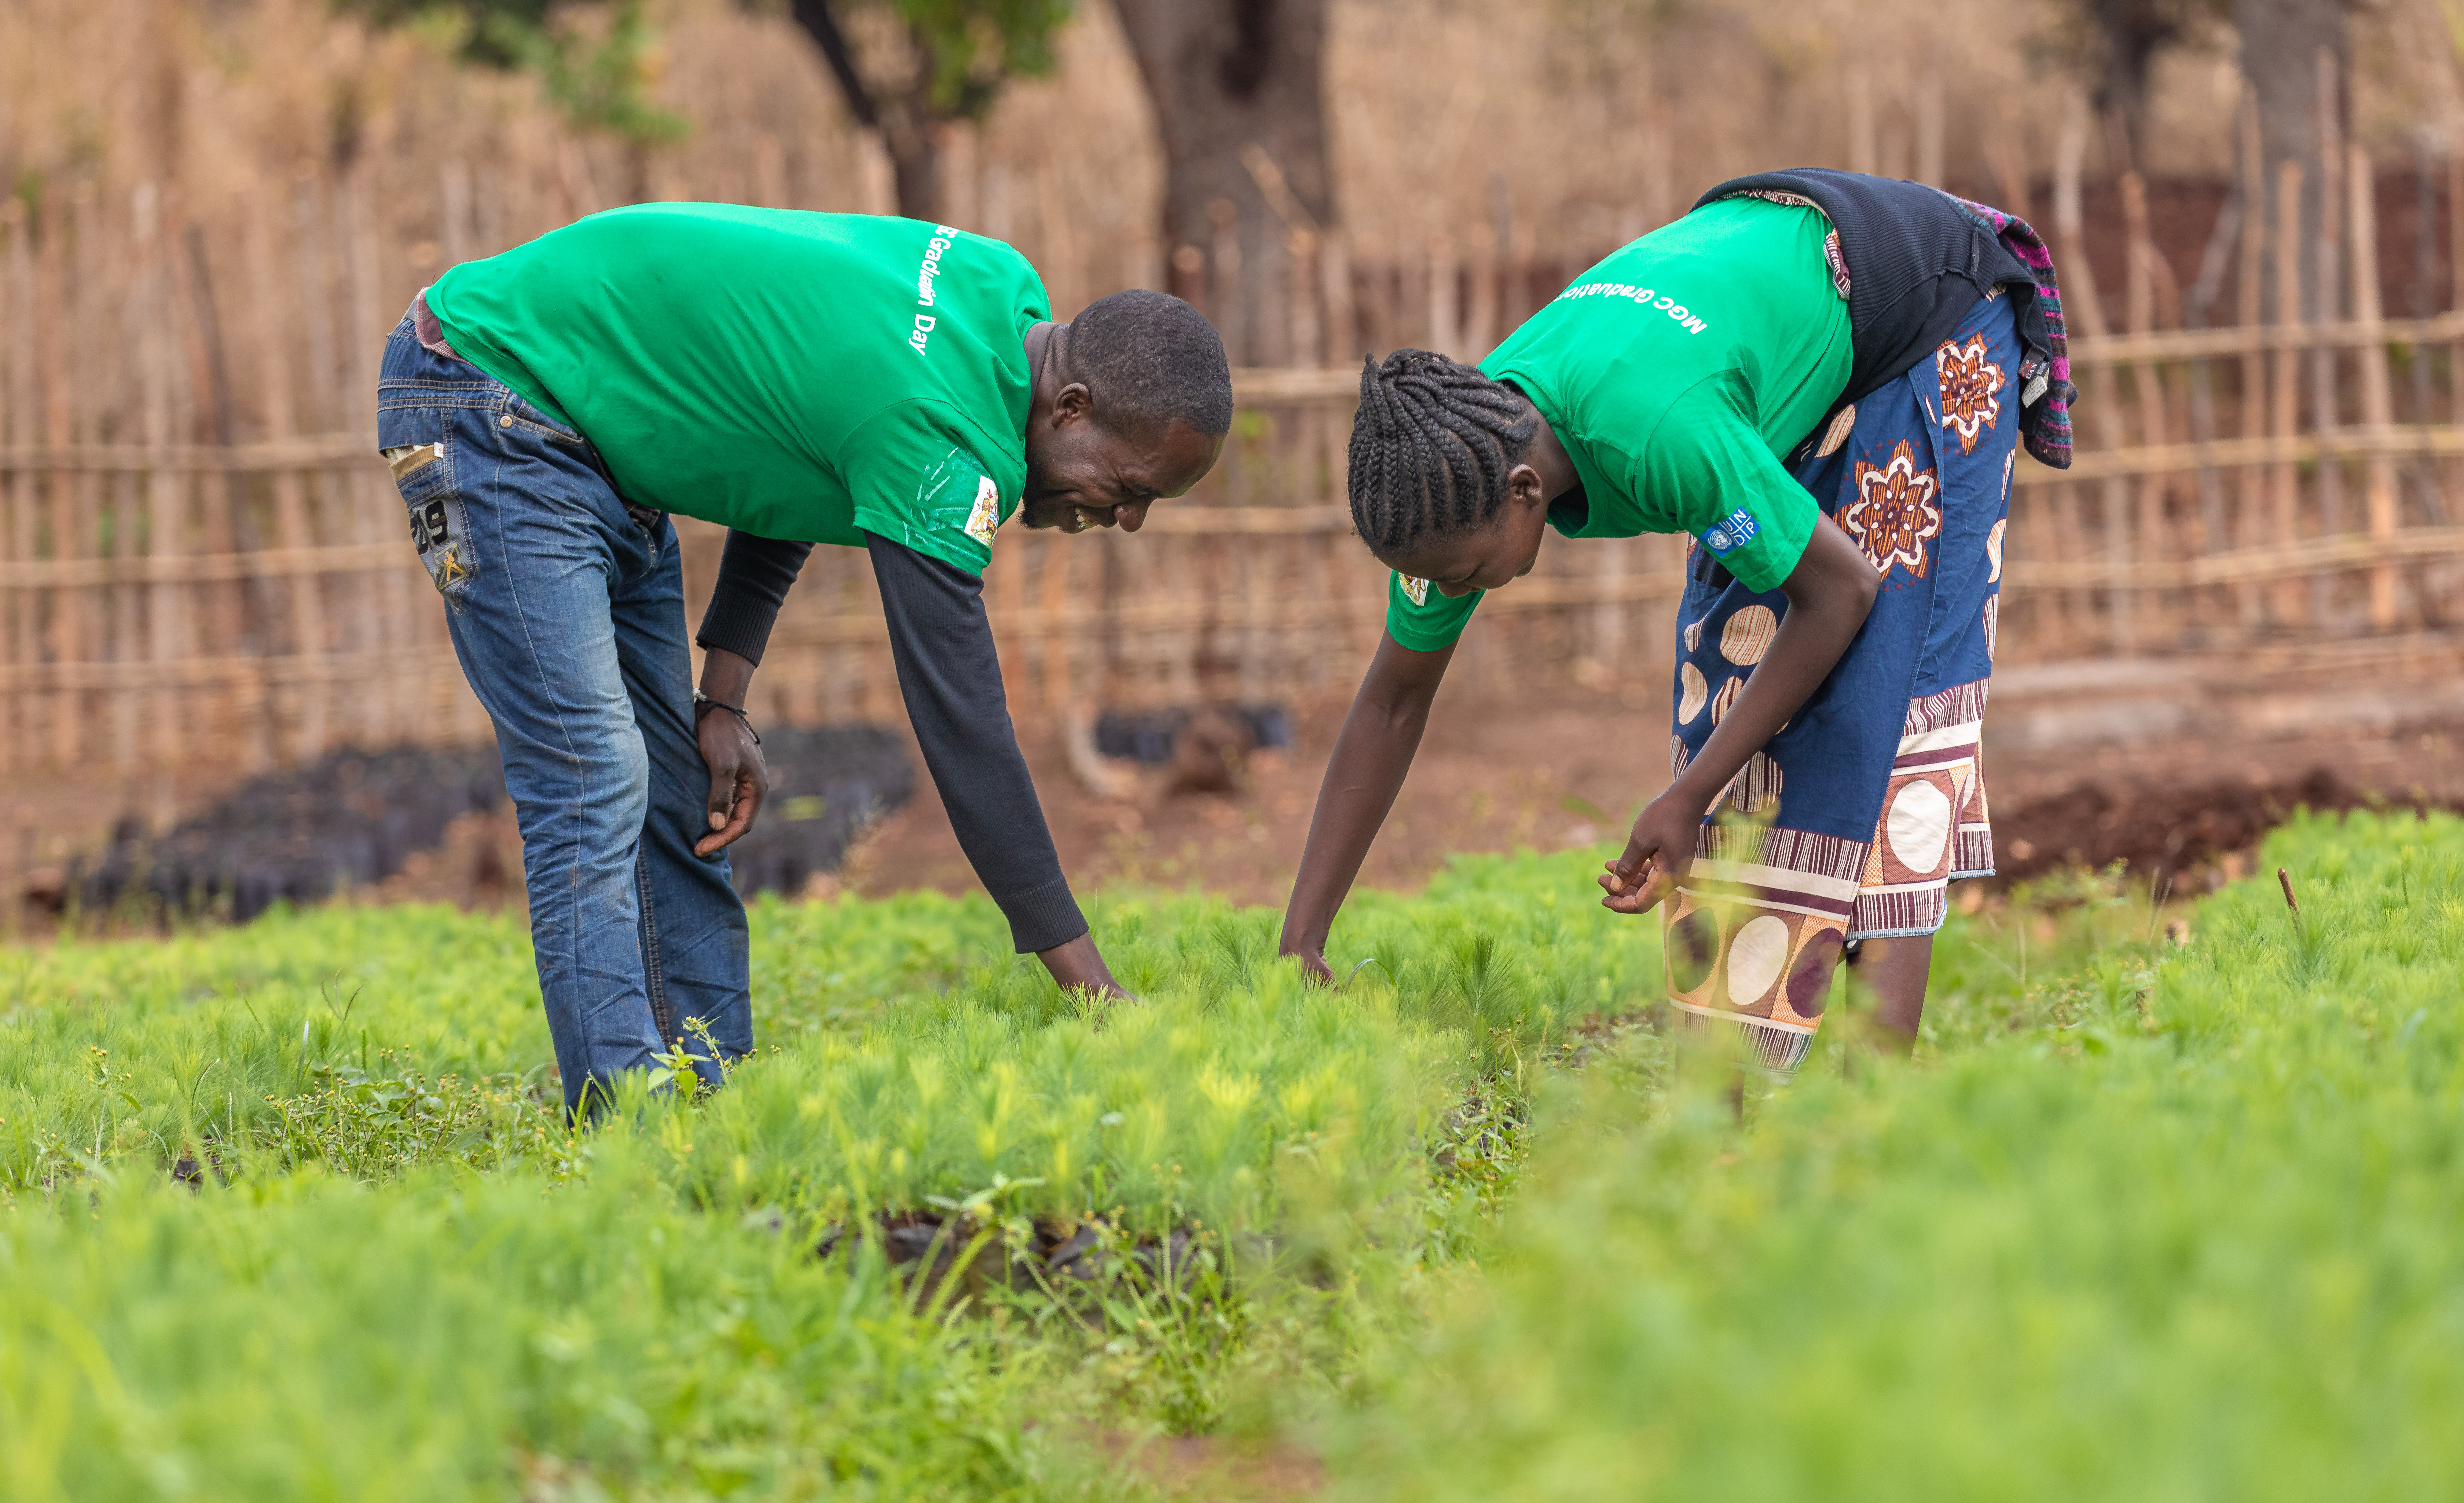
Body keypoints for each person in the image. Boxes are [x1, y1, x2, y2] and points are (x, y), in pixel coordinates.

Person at [376, 204, 1231, 1112]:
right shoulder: (934, 432)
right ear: (1071, 407)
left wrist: (725, 695)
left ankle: (718, 1099)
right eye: (1132, 488)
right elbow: (966, 730)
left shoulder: (1001, 293)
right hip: (492, 392)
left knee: (673, 787)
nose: (1128, 518)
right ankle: (629, 1117)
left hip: (599, 441)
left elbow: (802, 436)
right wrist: (1089, 984)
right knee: (593, 771)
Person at [1278, 169, 2072, 1065]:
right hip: (1766, 324)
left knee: (1885, 704)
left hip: (1927, 310)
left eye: (1466, 573)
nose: (1459, 590)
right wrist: (1303, 934)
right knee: (1735, 673)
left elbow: (1842, 591)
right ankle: (1723, 1118)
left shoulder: (1653, 433)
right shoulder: (1450, 465)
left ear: (1526, 491)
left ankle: (1867, 1127)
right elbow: (1391, 700)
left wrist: (1685, 798)